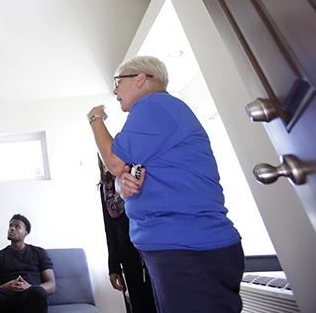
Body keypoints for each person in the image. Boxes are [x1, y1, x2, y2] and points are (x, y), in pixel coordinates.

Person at [88, 56, 243, 313]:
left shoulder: (155, 107)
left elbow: (114, 161)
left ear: (140, 78)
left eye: (118, 82)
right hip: (178, 248)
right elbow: (124, 174)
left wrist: (95, 119)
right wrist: (121, 185)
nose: (115, 90)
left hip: (188, 248)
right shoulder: (156, 116)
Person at [0, 214, 56, 313]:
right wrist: (6, 287)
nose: (12, 228)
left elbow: (51, 285)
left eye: (17, 226)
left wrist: (30, 287)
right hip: (5, 298)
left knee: (37, 291)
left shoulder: (39, 252)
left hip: (29, 297)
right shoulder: (0, 256)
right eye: (10, 226)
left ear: (26, 233)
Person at [98, 156, 156, 313]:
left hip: (151, 248)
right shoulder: (105, 188)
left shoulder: (136, 174)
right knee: (139, 304)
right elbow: (109, 228)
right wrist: (114, 267)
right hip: (127, 254)